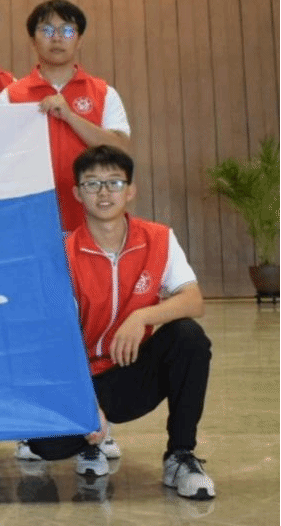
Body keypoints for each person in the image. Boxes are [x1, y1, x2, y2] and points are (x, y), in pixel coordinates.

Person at [25, 145, 215, 502]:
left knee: (188, 336)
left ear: (130, 191)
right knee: (44, 445)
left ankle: (180, 455)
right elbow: (54, 338)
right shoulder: (62, 253)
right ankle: (90, 440)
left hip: (131, 373)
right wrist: (84, 402)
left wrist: (142, 316)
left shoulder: (158, 238)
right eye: (92, 183)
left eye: (114, 182)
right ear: (77, 193)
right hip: (81, 378)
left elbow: (194, 300)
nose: (104, 192)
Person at [0, 0, 131, 233]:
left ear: (79, 40)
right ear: (33, 40)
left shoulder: (103, 92)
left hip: (89, 220)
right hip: (28, 220)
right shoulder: (10, 96)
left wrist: (70, 116)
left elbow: (120, 148)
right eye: (47, 30)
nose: (57, 38)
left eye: (67, 31)